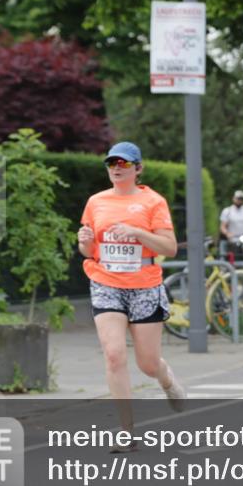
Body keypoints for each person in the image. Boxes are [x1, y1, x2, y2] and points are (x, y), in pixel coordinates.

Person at [77, 142, 187, 452]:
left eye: (124, 163)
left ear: (138, 169)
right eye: (111, 163)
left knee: (148, 364)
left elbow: (169, 247)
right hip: (105, 281)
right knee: (114, 354)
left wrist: (138, 233)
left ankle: (167, 380)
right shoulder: (96, 202)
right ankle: (125, 432)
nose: (116, 168)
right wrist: (84, 241)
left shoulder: (153, 202)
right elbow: (88, 248)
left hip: (144, 284)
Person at [219, 190, 243, 258]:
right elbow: (222, 227)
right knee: (232, 257)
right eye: (238, 198)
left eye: (241, 199)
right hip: (232, 240)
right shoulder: (228, 211)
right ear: (233, 198)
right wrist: (227, 233)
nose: (239, 201)